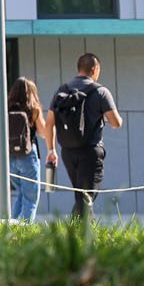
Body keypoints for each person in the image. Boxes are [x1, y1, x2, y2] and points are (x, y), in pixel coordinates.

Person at [46, 52, 122, 221]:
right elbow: (116, 123)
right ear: (94, 69)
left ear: (79, 68)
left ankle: (86, 237)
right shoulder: (101, 91)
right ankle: (74, 237)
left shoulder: (62, 90)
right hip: (91, 151)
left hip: (67, 151)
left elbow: (49, 123)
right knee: (86, 198)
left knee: (82, 197)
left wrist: (51, 150)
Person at [7, 76, 54, 224]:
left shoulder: (5, 107)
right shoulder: (34, 109)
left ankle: (12, 226)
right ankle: (24, 230)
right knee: (31, 197)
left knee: (21, 194)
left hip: (10, 157)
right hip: (28, 156)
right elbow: (42, 132)